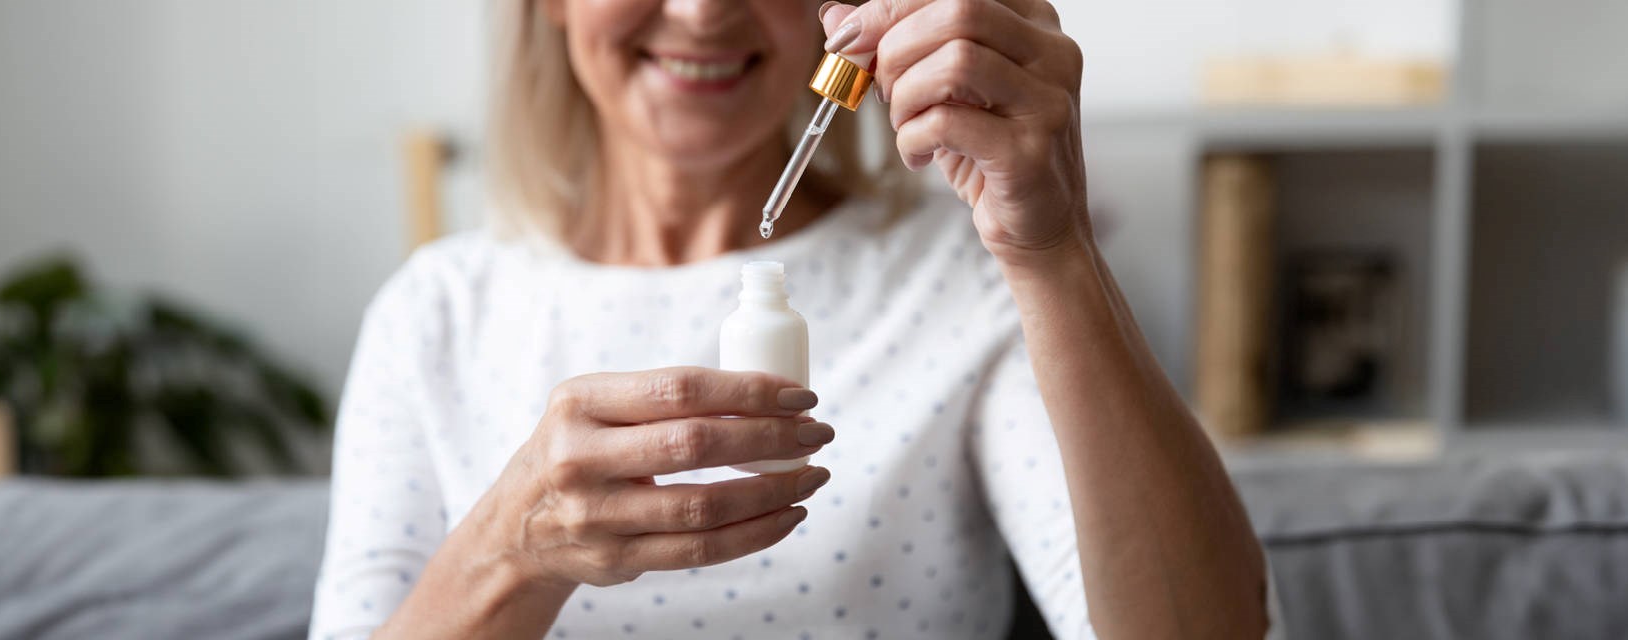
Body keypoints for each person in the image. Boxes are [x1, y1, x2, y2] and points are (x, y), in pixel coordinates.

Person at [310, 1, 1271, 638]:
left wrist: (1052, 254)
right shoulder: (435, 314)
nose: (700, 11)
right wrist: (512, 552)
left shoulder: (965, 274)